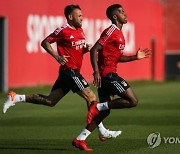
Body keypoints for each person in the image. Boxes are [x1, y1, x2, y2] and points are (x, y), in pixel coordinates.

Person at [2, 4, 121, 143]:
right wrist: (57, 56)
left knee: (50, 101)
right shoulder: (63, 30)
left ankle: (15, 98)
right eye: (79, 16)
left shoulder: (80, 30)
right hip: (69, 71)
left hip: (70, 72)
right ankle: (101, 131)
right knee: (91, 97)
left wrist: (84, 49)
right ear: (70, 17)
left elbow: (74, 50)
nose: (82, 18)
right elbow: (45, 42)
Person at [72, 4, 151, 151]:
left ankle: (80, 139)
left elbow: (116, 58)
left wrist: (135, 57)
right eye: (121, 12)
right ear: (115, 17)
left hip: (107, 73)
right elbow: (94, 49)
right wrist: (96, 71)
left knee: (105, 112)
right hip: (107, 75)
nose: (125, 13)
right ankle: (97, 106)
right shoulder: (111, 31)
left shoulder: (119, 33)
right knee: (132, 100)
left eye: (124, 11)